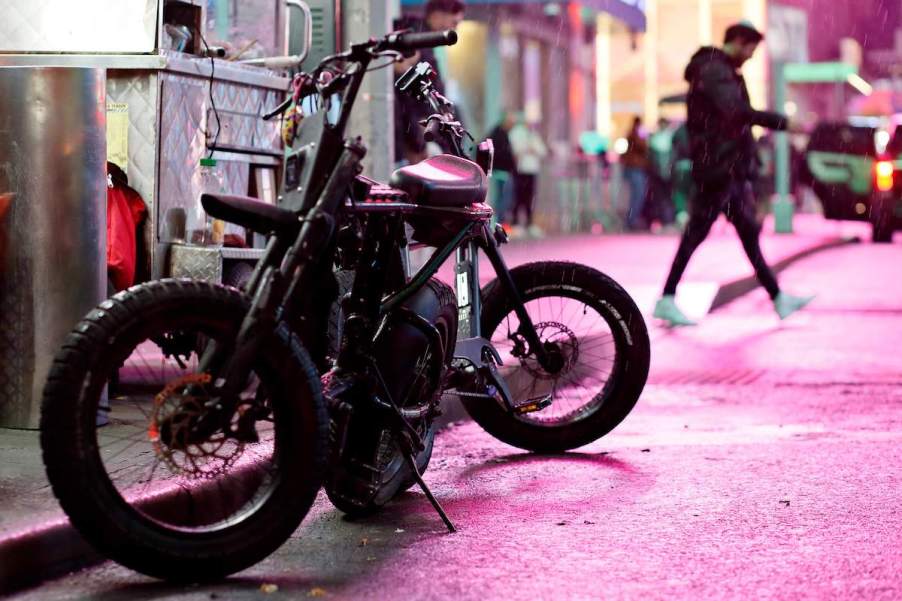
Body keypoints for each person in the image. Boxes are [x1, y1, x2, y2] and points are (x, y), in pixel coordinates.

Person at [653, 21, 814, 326]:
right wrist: (781, 122)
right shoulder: (715, 70)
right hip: (718, 168)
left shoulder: (720, 70)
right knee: (697, 235)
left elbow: (734, 117)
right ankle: (667, 297)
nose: (751, 56)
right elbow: (736, 112)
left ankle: (778, 298)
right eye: (751, 49)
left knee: (745, 236)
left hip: (727, 168)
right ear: (739, 41)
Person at [393, 0, 466, 166]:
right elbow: (408, 97)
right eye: (453, 22)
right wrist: (417, 142)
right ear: (437, 15)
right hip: (412, 136)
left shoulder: (422, 41)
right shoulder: (416, 39)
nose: (454, 28)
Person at [508, 113, 548, 237]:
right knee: (518, 197)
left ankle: (529, 223)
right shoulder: (516, 132)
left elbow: (542, 150)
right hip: (520, 170)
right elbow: (516, 149)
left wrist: (532, 149)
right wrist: (528, 149)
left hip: (532, 170)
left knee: (530, 198)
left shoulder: (533, 134)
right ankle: (516, 224)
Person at [487, 112, 517, 226]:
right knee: (501, 198)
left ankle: (499, 221)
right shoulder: (499, 134)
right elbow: (502, 153)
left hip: (502, 170)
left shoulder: (501, 133)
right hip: (500, 171)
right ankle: (498, 222)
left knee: (502, 197)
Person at [621, 116, 649, 230]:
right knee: (638, 194)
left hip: (634, 168)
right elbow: (642, 147)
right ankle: (631, 220)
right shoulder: (634, 135)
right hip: (634, 168)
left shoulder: (633, 135)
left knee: (637, 195)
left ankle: (632, 219)